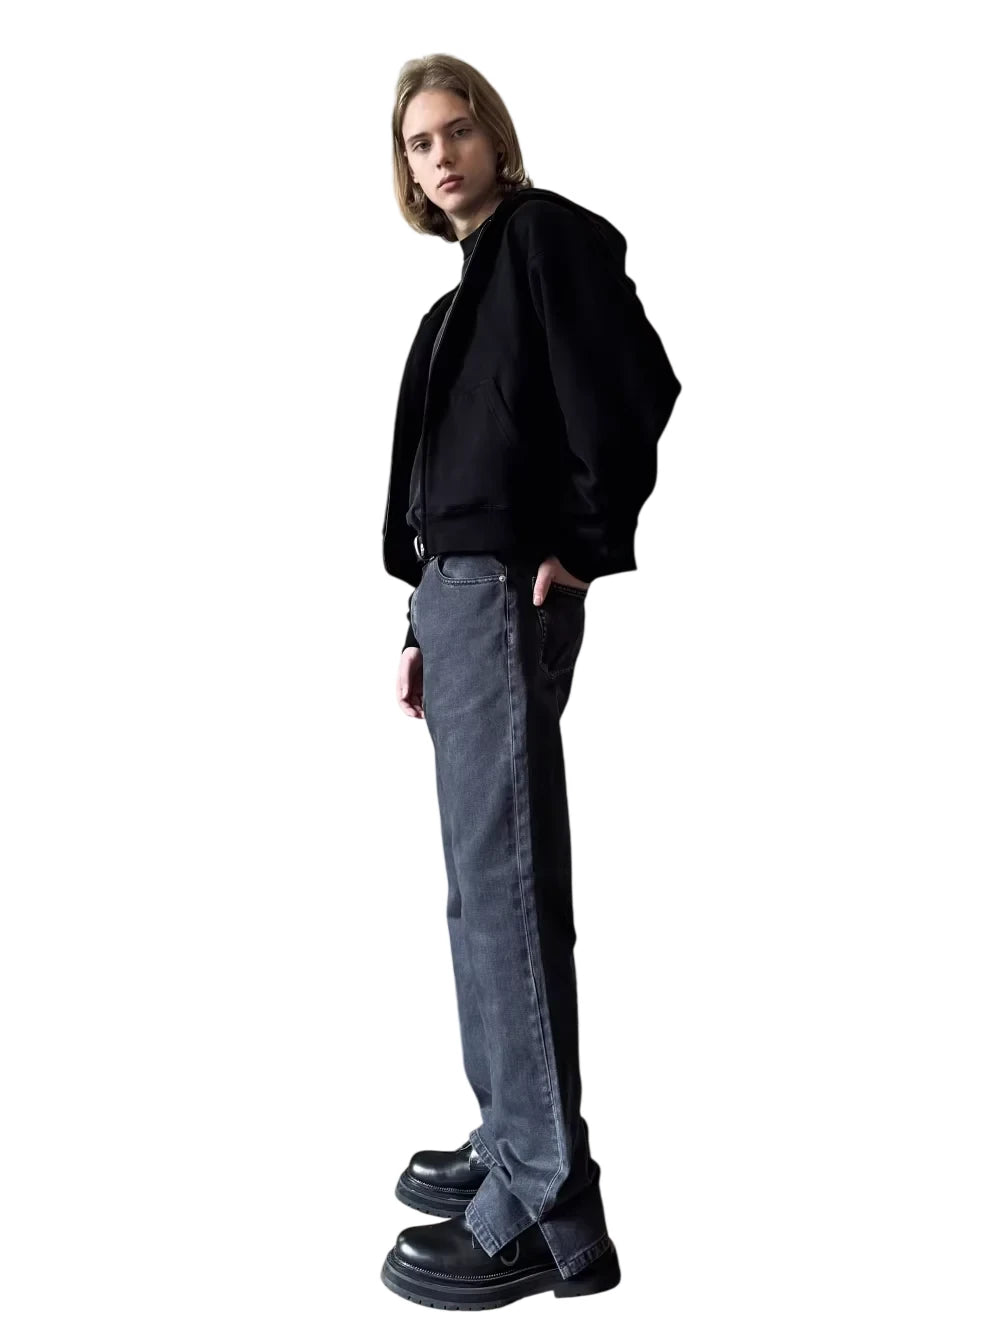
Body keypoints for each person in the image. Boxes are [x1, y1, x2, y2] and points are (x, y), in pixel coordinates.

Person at [379, 54, 681, 1310]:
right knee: (478, 890)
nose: (440, 157)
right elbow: (457, 473)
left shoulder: (546, 238)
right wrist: (416, 616)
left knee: (505, 887)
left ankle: (549, 1206)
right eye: (417, 144)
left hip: (508, 589)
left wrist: (586, 542)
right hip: (455, 600)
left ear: (494, 138)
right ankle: (508, 1126)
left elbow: (633, 386)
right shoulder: (463, 297)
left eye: (456, 132)